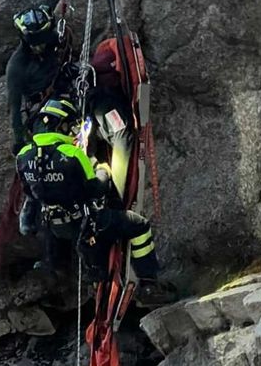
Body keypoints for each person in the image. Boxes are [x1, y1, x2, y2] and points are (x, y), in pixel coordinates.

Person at [15, 97, 173, 303]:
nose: (73, 132)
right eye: (70, 127)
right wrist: (102, 169)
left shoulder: (23, 156)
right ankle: (149, 284)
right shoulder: (72, 153)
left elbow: (30, 193)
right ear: (60, 126)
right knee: (139, 226)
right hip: (87, 223)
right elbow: (97, 190)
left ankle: (83, 276)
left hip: (55, 228)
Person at [6, 4, 76, 155]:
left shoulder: (51, 39)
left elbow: (65, 45)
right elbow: (14, 108)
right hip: (42, 108)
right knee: (47, 148)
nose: (41, 47)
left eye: (43, 40)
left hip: (68, 90)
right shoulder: (16, 66)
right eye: (35, 44)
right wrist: (19, 141)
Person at [86, 43, 135, 202]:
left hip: (91, 104)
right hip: (103, 102)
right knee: (122, 135)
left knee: (91, 142)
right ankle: (116, 196)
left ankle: (102, 182)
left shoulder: (103, 58)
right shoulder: (108, 64)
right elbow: (122, 135)